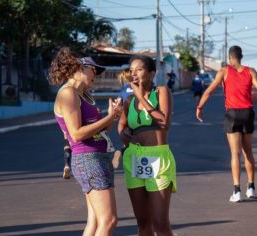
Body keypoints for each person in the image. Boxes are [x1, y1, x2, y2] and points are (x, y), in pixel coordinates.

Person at [196, 45, 257, 203]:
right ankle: (251, 188)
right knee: (248, 152)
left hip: (232, 114)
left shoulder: (224, 71)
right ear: (241, 56)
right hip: (247, 113)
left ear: (230, 58)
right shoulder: (250, 71)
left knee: (235, 154)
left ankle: (237, 191)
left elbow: (209, 90)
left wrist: (200, 107)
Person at [49, 47, 122, 236]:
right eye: (94, 70)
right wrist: (109, 117)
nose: (96, 75)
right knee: (109, 220)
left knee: (95, 220)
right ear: (81, 68)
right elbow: (77, 134)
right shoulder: (68, 94)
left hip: (97, 157)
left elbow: (101, 129)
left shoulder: (85, 95)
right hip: (88, 159)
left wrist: (112, 117)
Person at [118, 55, 177, 235]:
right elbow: (122, 124)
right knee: (143, 222)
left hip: (158, 159)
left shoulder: (161, 92)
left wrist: (141, 96)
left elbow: (164, 122)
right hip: (134, 159)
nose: (134, 73)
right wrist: (126, 138)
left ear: (152, 73)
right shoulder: (129, 101)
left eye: (139, 69)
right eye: (131, 70)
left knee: (160, 223)